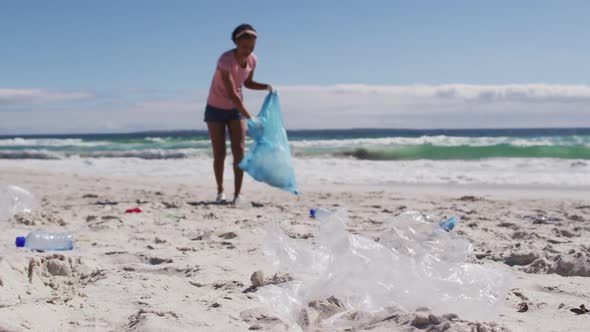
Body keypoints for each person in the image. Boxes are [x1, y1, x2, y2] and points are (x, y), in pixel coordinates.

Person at [205, 24, 272, 204]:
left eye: (251, 47)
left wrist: (266, 87)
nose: (247, 51)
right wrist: (250, 117)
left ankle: (237, 195)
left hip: (235, 110)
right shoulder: (225, 60)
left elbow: (247, 83)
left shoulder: (252, 60)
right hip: (215, 108)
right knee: (219, 153)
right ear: (236, 42)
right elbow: (232, 94)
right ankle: (220, 192)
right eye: (244, 47)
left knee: (239, 152)